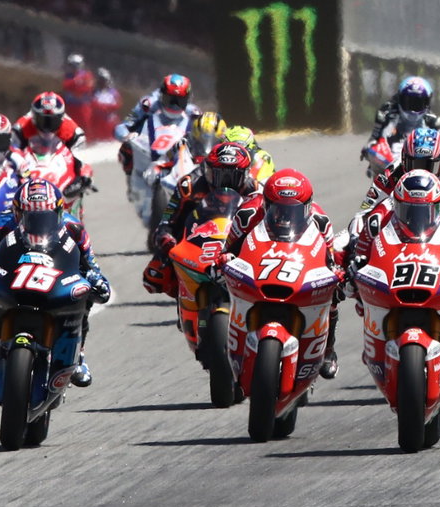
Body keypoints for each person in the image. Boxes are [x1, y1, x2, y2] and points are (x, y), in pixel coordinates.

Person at [0, 179, 111, 387]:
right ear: (17, 211)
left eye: (46, 217)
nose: (36, 222)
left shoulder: (74, 228)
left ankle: (79, 355)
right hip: (12, 278)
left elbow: (90, 265)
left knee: (84, 293)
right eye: (27, 216)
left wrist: (96, 279)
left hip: (54, 277)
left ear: (58, 212)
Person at [348, 171, 440, 370]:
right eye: (409, 210)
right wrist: (356, 270)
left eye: (425, 211)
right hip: (394, 268)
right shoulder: (379, 219)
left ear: (439, 207)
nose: (417, 217)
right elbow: (360, 254)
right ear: (396, 204)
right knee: (352, 286)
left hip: (438, 267)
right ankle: (375, 341)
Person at [221, 169, 345, 378]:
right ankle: (235, 346)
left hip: (298, 266)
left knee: (333, 296)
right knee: (222, 284)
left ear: (307, 207)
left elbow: (330, 259)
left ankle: (328, 349)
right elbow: (229, 249)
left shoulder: (320, 220)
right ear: (266, 203)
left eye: (295, 210)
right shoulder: (247, 214)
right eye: (277, 209)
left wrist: (337, 274)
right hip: (259, 269)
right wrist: (224, 261)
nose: (286, 216)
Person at [144, 142, 258, 297]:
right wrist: (165, 237)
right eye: (218, 175)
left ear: (245, 175)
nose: (224, 182)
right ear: (207, 170)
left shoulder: (255, 189)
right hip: (196, 235)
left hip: (235, 237)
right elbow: (168, 219)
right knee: (154, 277)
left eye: (233, 177)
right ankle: (184, 295)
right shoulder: (189, 185)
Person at [361, 127, 440, 214]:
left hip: (439, 236)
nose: (421, 174)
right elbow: (365, 210)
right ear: (404, 159)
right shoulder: (390, 176)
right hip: (398, 234)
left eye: (429, 166)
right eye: (416, 165)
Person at [118, 73, 199, 174]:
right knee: (126, 150)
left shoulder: (193, 112)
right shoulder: (147, 105)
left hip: (180, 154)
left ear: (187, 99)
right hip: (147, 150)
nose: (174, 105)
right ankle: (135, 182)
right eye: (170, 100)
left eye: (179, 101)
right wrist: (127, 136)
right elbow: (122, 127)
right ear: (162, 95)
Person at [366, 75, 440, 147]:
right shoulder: (386, 115)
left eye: (418, 103)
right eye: (409, 102)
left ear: (427, 103)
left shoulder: (433, 121)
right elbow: (372, 142)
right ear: (400, 100)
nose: (413, 109)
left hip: (422, 158)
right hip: (391, 158)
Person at [15, 91, 86, 151]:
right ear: (33, 118)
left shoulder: (74, 134)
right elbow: (11, 154)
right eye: (42, 120)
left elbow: (81, 162)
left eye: (53, 121)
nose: (47, 127)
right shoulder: (20, 129)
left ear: (61, 118)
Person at [61, 54, 97, 138]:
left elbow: (88, 88)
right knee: (69, 125)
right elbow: (66, 86)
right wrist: (76, 82)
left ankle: (88, 142)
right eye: (71, 65)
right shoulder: (68, 75)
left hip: (82, 106)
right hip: (70, 106)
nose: (73, 67)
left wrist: (76, 86)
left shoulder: (87, 75)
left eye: (75, 65)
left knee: (85, 126)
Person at [92, 68, 122, 139]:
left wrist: (106, 107)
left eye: (104, 80)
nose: (103, 82)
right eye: (101, 80)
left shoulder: (113, 92)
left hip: (110, 121)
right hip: (97, 121)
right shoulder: (94, 92)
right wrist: (103, 107)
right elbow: (93, 104)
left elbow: (118, 104)